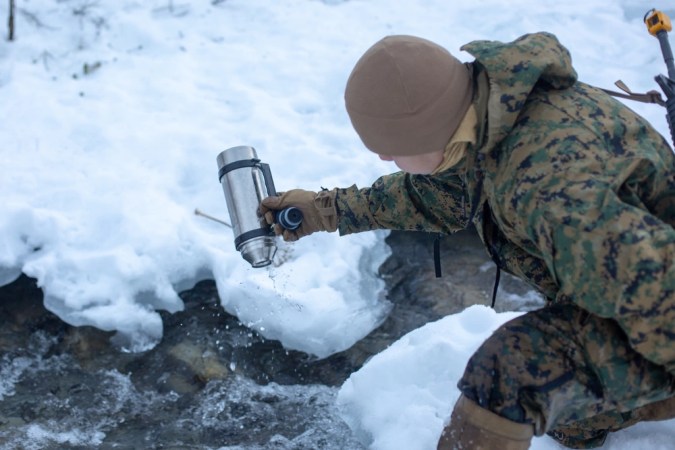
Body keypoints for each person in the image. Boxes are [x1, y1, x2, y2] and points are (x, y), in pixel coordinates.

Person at [260, 32, 675, 449]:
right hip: (615, 285)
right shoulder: (490, 116)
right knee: (569, 421)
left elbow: (658, 294)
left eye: (390, 147)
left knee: (510, 375)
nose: (385, 158)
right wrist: (327, 209)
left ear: (425, 130)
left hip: (656, 309)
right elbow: (436, 194)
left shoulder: (550, 184)